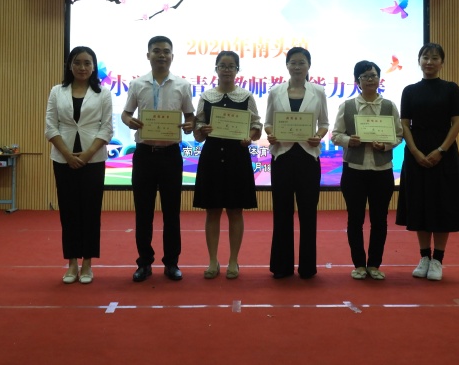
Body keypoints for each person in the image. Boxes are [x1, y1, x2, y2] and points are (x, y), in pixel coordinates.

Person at [396, 43, 459, 281]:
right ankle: (424, 257)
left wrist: (441, 150)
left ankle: (438, 260)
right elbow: (404, 124)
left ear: (442, 63)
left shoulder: (451, 89)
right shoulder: (409, 90)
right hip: (416, 153)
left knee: (442, 204)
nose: (429, 62)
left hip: (444, 154)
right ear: (419, 61)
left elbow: (457, 122)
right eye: (425, 57)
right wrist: (414, 151)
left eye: (434, 58)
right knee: (420, 203)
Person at [121, 36, 195, 282]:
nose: (161, 55)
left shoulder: (182, 85)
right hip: (144, 155)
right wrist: (129, 121)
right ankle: (144, 263)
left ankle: (171, 263)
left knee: (172, 213)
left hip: (171, 156)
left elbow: (190, 117)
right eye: (156, 51)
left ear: (172, 56)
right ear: (148, 55)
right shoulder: (137, 84)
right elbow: (125, 114)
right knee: (143, 213)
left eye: (166, 51)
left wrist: (189, 125)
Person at [45, 46, 113, 285]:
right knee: (69, 211)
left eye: (87, 63)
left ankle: (87, 264)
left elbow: (107, 128)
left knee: (90, 212)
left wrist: (86, 155)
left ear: (93, 67)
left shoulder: (103, 93)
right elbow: (50, 126)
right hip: (63, 160)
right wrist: (68, 155)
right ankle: (72, 263)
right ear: (69, 65)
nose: (82, 67)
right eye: (77, 62)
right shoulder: (57, 91)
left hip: (93, 159)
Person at [193, 51, 262, 279]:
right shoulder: (206, 97)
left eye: (231, 66)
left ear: (237, 70)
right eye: (222, 66)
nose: (226, 70)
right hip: (212, 158)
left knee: (235, 210)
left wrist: (250, 137)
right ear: (216, 69)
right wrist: (202, 129)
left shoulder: (246, 97)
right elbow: (198, 132)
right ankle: (213, 260)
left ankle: (233, 260)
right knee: (212, 211)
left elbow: (256, 125)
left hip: (237, 158)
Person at [331, 61, 403, 281]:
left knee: (380, 220)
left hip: (382, 170)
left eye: (373, 75)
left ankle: (374, 264)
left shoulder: (389, 106)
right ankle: (359, 265)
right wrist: (348, 141)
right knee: (355, 219)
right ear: (357, 81)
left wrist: (386, 145)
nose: (370, 80)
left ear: (379, 79)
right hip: (354, 170)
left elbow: (399, 135)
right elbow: (335, 135)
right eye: (365, 76)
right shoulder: (347, 105)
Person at [265, 47, 330, 279]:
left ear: (309, 65)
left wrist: (318, 136)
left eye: (302, 62)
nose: (297, 67)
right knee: (282, 213)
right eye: (293, 62)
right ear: (287, 65)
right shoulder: (275, 91)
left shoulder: (318, 91)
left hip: (308, 157)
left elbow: (324, 123)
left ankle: (307, 267)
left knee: (308, 213)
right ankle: (282, 267)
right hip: (282, 157)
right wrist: (271, 134)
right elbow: (268, 123)